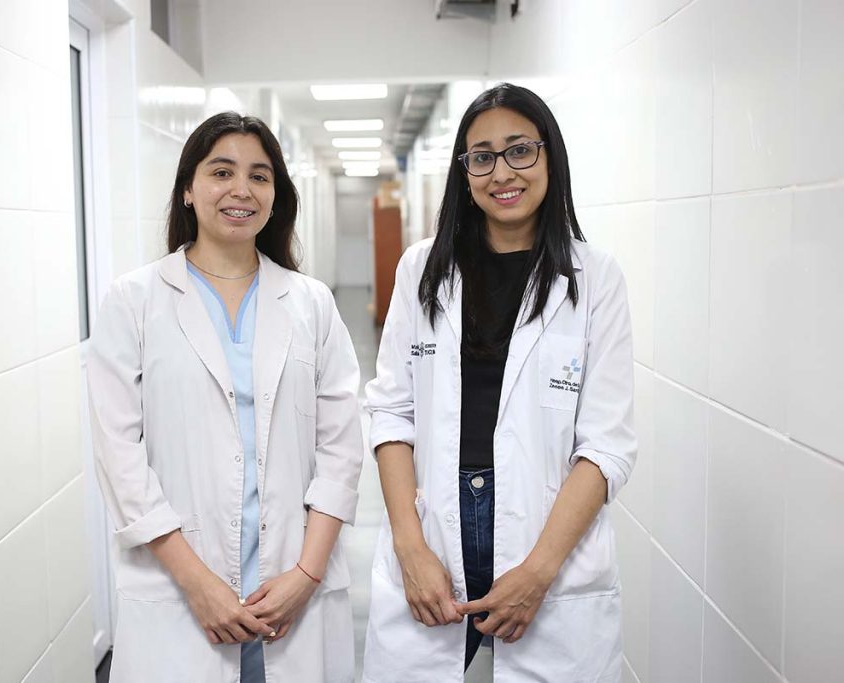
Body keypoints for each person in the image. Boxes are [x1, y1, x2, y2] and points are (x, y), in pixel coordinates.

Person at [361, 83, 636, 682]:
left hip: (545, 532)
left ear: (549, 157)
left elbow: (606, 445)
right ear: (465, 173)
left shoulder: (595, 279)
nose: (502, 172)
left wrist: (539, 571)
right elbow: (391, 414)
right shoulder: (421, 269)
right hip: (436, 524)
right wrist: (409, 546)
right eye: (482, 157)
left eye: (520, 150)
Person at [88, 112, 364, 683]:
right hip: (180, 589)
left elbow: (341, 449)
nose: (242, 189)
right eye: (221, 172)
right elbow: (120, 458)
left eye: (259, 176)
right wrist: (197, 583)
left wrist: (305, 576)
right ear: (188, 190)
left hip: (293, 586)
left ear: (276, 195)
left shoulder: (311, 303)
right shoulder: (134, 301)